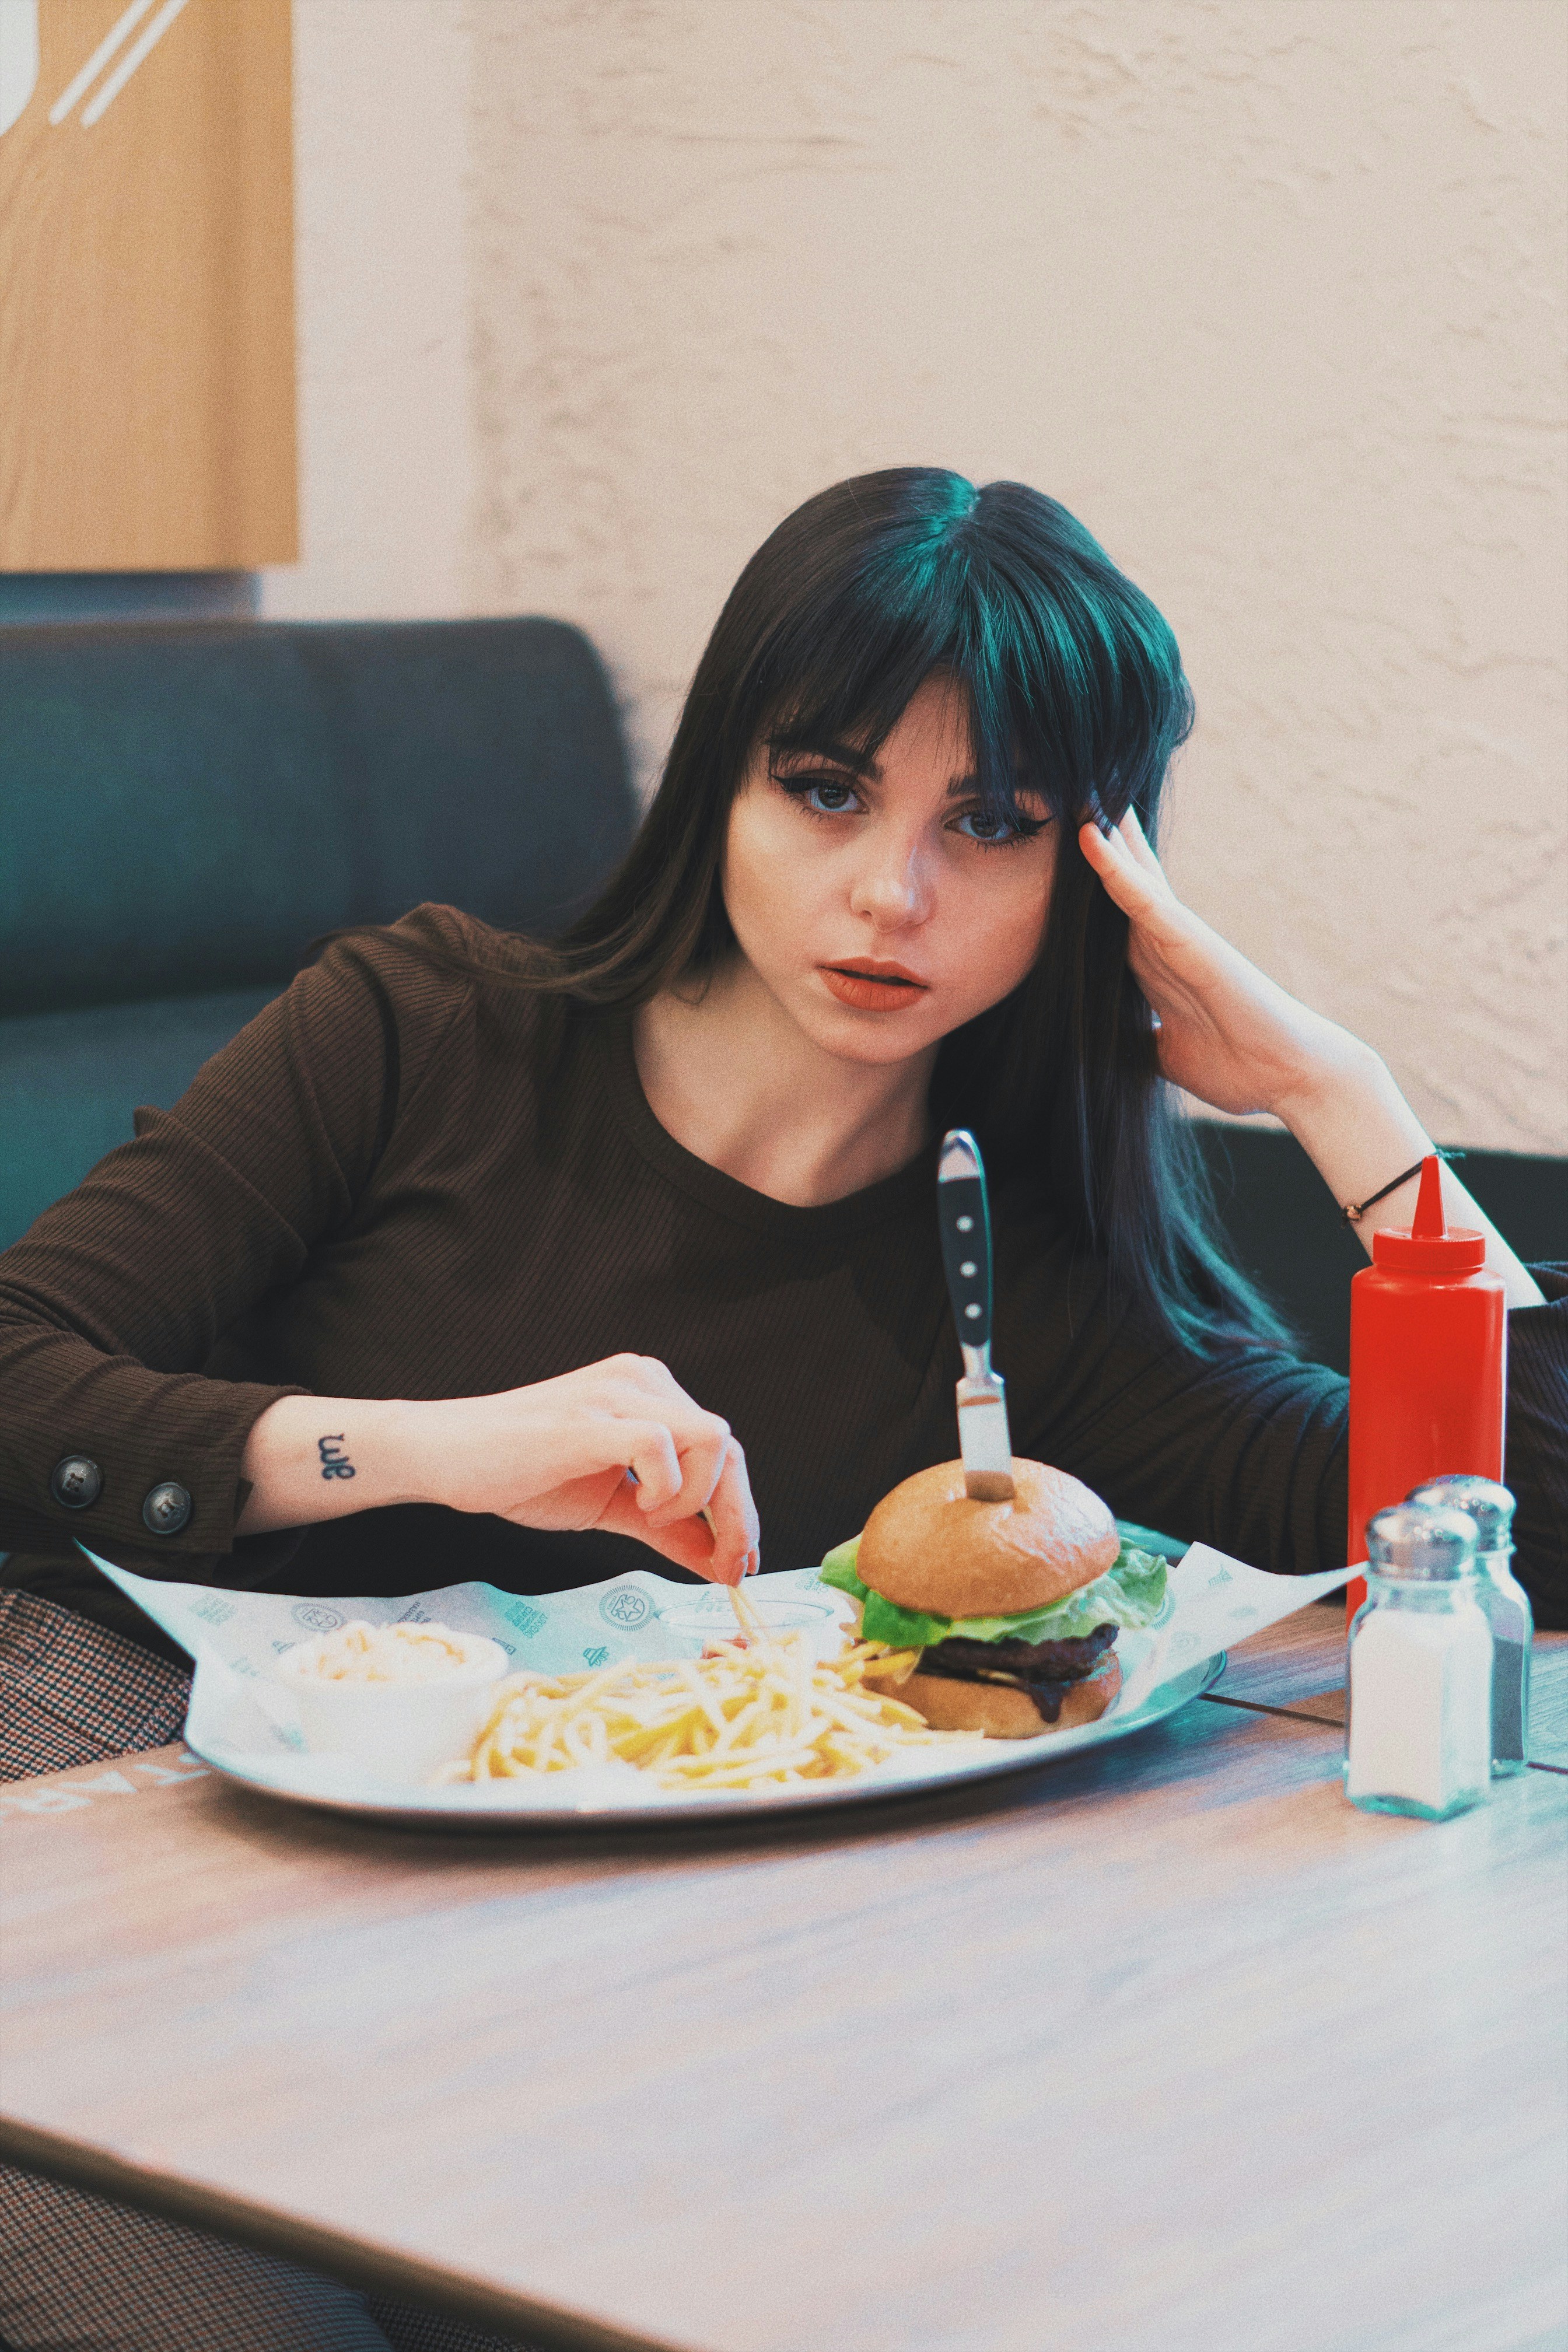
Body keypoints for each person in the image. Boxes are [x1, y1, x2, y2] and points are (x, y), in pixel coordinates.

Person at [1, 468, 1562, 2349]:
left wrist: (1343, 1097)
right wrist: (422, 1444)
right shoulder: (423, 1027)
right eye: (827, 788)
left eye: (991, 825)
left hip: (523, 1948)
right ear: (724, 784)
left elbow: (1516, 1524)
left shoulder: (1032, 1273)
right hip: (111, 1762)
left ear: (1097, 867)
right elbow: (25, 1367)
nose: (889, 893)